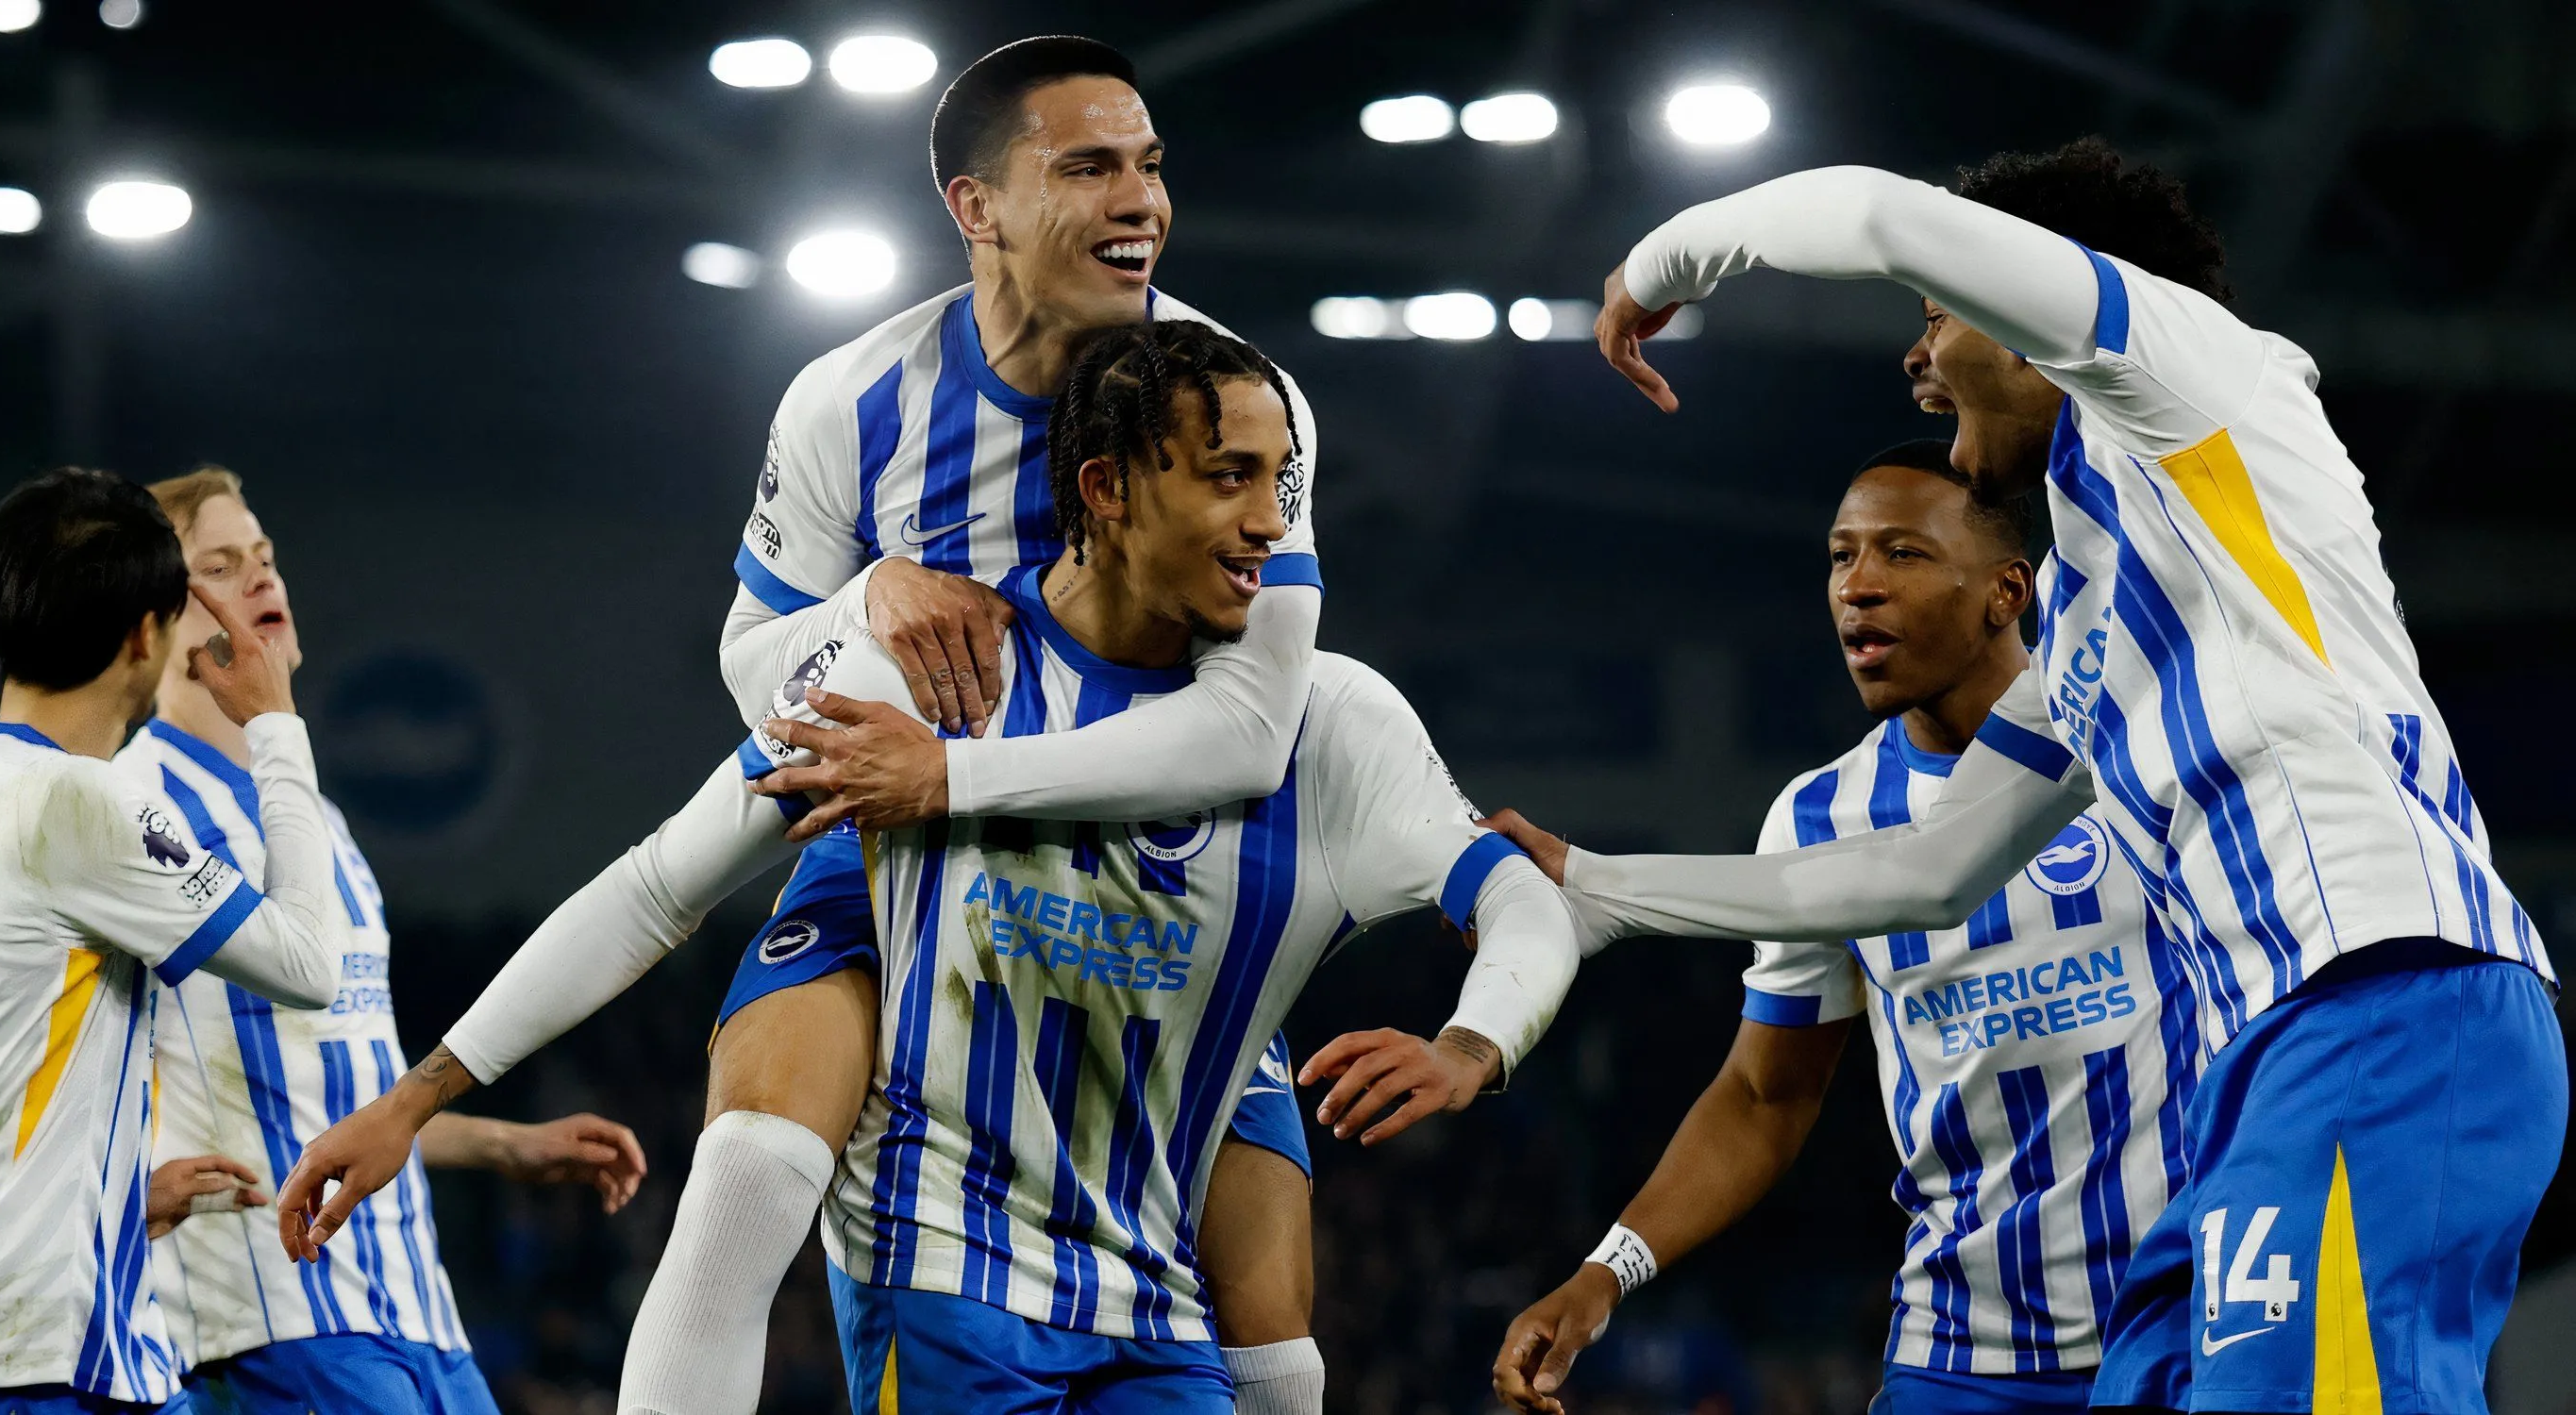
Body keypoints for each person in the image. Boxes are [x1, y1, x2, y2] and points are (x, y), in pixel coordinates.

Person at [275, 321, 1577, 1413]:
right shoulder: (925, 679)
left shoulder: (1332, 725)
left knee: (1284, 1350)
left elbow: (1522, 898)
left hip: (1154, 1318)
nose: (1268, 527)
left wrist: (1474, 1044)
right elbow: (661, 883)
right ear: (1109, 488)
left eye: (1281, 484)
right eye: (1228, 479)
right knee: (748, 1166)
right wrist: (418, 1096)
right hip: (948, 1286)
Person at [1565, 140, 2563, 1413]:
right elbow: (1925, 871)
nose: (1917, 359)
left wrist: (1659, 266)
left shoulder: (2199, 376)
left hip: (2388, 995)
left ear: (2031, 302)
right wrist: (1600, 885)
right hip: (2264, 1060)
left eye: (1940, 318)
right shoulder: (2089, 612)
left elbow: (1875, 209)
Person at [695, 35, 1330, 1415]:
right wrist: (867, 595)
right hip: (904, 860)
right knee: (748, 1165)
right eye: (1089, 167)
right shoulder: (852, 400)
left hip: (1159, 873)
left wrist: (955, 775)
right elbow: (753, 665)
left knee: (1271, 1335)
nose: (1141, 200)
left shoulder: (1245, 406)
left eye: (1150, 166)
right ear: (975, 207)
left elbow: (1252, 734)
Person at [1488, 440, 2197, 1415]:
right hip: (1964, 1354)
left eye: (1902, 553)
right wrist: (1604, 1274)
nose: (1858, 587)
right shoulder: (1818, 818)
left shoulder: (2139, 751)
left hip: (2192, 1327)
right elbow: (1764, 1095)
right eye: (1840, 556)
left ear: (2007, 592)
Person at [120, 466, 650, 1415]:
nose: (262, 578)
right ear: (152, 620)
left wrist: (506, 1146)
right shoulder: (131, 807)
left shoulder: (317, 817)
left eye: (266, 558)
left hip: (417, 1311)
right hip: (274, 1318)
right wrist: (118, 1195)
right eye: (221, 566)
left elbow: (342, 1093)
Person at [0, 467, 349, 1413]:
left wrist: (97, 1194)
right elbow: (310, 963)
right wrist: (277, 728)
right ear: (144, 636)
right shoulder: (82, 804)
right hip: (29, 1360)